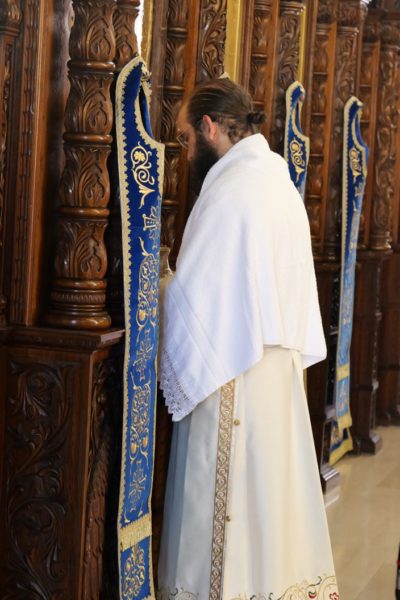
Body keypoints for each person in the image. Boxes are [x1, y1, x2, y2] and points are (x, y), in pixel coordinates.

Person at [157, 79, 339, 600]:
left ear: (210, 128)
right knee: (269, 507)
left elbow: (195, 299)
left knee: (229, 506)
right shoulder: (276, 179)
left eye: (186, 138)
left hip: (231, 372)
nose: (186, 151)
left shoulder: (230, 190)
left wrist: (159, 282)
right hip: (276, 375)